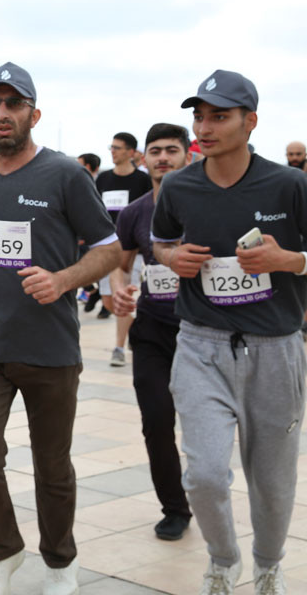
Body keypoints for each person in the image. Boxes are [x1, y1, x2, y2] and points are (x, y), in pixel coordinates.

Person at [0, 63, 119, 595]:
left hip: (49, 348)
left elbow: (109, 249)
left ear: (33, 114)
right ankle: (3, 553)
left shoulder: (65, 174)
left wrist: (62, 279)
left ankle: (61, 561)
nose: (3, 113)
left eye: (13, 104)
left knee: (52, 466)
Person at [152, 70, 307, 595]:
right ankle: (222, 561)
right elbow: (160, 243)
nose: (205, 127)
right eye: (200, 117)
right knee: (204, 475)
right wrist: (171, 257)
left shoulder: (289, 184)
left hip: (276, 350)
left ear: (250, 121)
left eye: (219, 116)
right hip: (201, 345)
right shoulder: (179, 186)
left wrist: (289, 260)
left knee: (273, 481)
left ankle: (268, 565)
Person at [109, 123, 193, 542]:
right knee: (156, 421)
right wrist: (119, 290)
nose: (163, 158)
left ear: (188, 156)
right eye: (155, 151)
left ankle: (206, 488)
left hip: (203, 333)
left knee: (203, 426)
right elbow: (121, 264)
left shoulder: (208, 204)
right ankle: (174, 508)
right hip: (153, 331)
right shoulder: (135, 212)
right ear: (144, 159)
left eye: (171, 150)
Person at [96, 132, 152, 364]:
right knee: (108, 301)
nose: (113, 151)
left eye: (117, 147)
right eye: (111, 147)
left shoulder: (142, 180)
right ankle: (135, 327)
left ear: (130, 152)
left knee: (123, 297)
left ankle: (119, 347)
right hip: (106, 248)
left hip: (132, 250)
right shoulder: (103, 179)